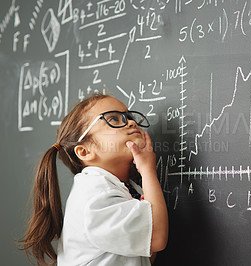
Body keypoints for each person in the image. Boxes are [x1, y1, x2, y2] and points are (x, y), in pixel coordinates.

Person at [20, 93, 168, 265]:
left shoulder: (126, 189)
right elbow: (156, 238)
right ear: (85, 151)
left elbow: (145, 251)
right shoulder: (95, 195)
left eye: (129, 117)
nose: (131, 122)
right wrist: (148, 170)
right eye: (113, 118)